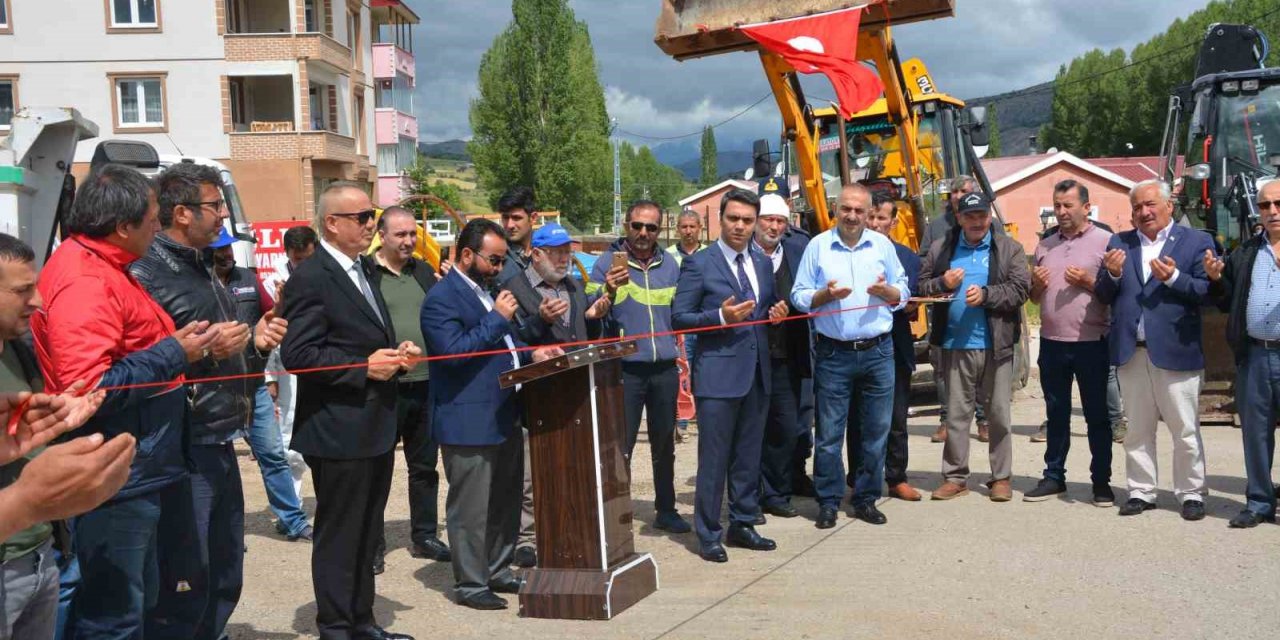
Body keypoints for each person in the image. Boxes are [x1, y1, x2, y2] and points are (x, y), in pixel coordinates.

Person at [31, 164, 222, 638]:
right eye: (154, 217)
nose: (158, 227)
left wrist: (181, 350)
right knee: (113, 614)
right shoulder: (85, 280)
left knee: (141, 601)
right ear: (123, 227)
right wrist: (174, 351)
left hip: (136, 465)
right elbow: (87, 387)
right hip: (116, 474)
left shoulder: (105, 266)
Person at [130, 163, 289, 639]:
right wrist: (202, 354)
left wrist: (254, 342)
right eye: (214, 206)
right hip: (182, 447)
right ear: (181, 213)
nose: (224, 215)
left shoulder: (205, 268)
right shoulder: (147, 274)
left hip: (221, 436)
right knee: (186, 578)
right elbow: (145, 363)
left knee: (224, 572)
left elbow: (218, 345)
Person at [279, 182, 418, 640]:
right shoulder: (312, 275)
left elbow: (358, 339)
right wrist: (362, 368)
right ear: (331, 224)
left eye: (372, 216)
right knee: (340, 535)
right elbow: (298, 354)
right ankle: (337, 626)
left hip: (372, 424)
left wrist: (394, 354)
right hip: (338, 429)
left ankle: (361, 621)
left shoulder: (361, 271)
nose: (370, 225)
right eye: (361, 218)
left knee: (365, 533)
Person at [422, 219, 561, 611]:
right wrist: (497, 318)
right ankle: (470, 583)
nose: (499, 268)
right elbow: (452, 354)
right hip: (468, 420)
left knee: (505, 501)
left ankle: (498, 569)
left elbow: (505, 340)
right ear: (467, 255)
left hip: (503, 413)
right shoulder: (441, 299)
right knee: (471, 508)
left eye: (502, 261)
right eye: (493, 260)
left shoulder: (488, 291)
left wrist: (531, 351)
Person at [0, 233, 123, 640]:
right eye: (21, 290)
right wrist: (25, 500)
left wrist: (61, 420)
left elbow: (19, 443)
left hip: (39, 556)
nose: (37, 301)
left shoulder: (20, 350)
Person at [674, 188, 787, 562]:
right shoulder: (700, 264)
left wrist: (775, 312)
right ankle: (708, 533)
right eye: (733, 219)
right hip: (718, 377)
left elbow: (762, 307)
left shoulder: (760, 262)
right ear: (719, 220)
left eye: (747, 220)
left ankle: (742, 522)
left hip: (756, 373)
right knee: (715, 459)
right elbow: (680, 317)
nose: (740, 226)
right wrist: (720, 317)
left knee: (747, 457)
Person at [1094, 179, 1214, 521]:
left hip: (1176, 350)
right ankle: (1141, 491)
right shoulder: (1120, 242)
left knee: (1185, 429)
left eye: (1150, 204)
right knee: (1138, 430)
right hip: (1133, 352)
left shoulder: (1196, 241)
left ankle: (1191, 492)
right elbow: (1104, 294)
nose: (1143, 212)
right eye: (1136, 207)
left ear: (1168, 206)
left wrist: (1175, 278)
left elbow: (1207, 291)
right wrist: (1113, 275)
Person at [791, 184, 908, 528]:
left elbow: (903, 291)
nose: (853, 216)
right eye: (846, 209)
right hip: (834, 354)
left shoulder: (882, 245)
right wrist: (823, 295)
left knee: (875, 432)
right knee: (829, 435)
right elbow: (798, 295)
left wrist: (889, 292)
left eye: (860, 211)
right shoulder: (818, 247)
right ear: (835, 209)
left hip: (878, 352)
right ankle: (828, 501)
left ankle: (866, 498)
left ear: (869, 213)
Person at [501, 221, 609, 566]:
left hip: (574, 392)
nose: (565, 258)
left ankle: (569, 526)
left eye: (568, 251)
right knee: (532, 474)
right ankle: (527, 539)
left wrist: (593, 317)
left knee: (571, 465)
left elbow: (580, 334)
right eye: (557, 253)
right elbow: (512, 342)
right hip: (534, 397)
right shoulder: (513, 289)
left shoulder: (575, 286)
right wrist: (540, 322)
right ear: (536, 254)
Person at [919, 192, 1031, 502]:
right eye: (970, 216)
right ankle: (955, 477)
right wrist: (944, 283)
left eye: (982, 215)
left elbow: (1020, 289)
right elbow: (922, 285)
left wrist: (986, 295)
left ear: (989, 217)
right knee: (956, 415)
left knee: (998, 415)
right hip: (955, 345)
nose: (977, 221)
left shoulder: (1009, 249)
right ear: (959, 218)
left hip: (997, 345)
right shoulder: (943, 248)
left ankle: (1001, 477)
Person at [588, 201, 691, 535]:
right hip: (625, 369)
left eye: (651, 228)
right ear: (625, 224)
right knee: (620, 445)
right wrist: (608, 289)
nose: (643, 233)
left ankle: (666, 509)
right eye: (637, 226)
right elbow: (590, 312)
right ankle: (617, 514)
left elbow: (682, 312)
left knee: (664, 443)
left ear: (661, 230)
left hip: (663, 367)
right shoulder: (606, 263)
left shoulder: (672, 265)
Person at [211, 229, 312, 542]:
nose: (227, 254)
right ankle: (221, 534)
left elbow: (271, 320)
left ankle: (293, 520)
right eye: (219, 250)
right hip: (213, 388)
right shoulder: (198, 284)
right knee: (216, 463)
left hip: (251, 383)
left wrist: (281, 307)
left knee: (271, 452)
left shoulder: (249, 281)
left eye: (229, 248)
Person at [1024, 180, 1115, 506]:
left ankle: (1101, 482)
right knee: (1056, 413)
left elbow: (1113, 293)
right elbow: (1034, 298)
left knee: (1097, 417)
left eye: (1068, 205)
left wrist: (1088, 281)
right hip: (1052, 343)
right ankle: (1053, 477)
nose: (1061, 212)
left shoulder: (1106, 242)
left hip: (1091, 342)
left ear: (1086, 207)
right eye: (1057, 206)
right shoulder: (1045, 246)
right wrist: (1035, 285)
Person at [369, 207, 450, 573]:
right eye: (400, 235)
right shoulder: (366, 273)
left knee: (424, 466)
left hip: (426, 383)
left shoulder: (423, 271)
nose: (408, 241)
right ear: (382, 236)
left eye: (412, 235)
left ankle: (424, 535)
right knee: (378, 468)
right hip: (386, 386)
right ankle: (372, 544)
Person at [1206, 179, 1280, 528]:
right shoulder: (1247, 252)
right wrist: (1217, 279)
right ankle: (1260, 502)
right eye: (1265, 206)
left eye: (1278, 204)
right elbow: (1226, 300)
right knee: (1256, 432)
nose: (1272, 212)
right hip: (1255, 356)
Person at [846, 192, 923, 502]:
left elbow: (911, 305)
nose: (876, 223)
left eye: (883, 218)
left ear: (893, 222)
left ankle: (896, 477)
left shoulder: (907, 257)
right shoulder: (848, 253)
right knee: (857, 418)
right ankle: (857, 478)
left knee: (895, 418)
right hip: (854, 348)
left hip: (894, 346)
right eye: (872, 216)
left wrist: (894, 296)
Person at [920, 175, 994, 443]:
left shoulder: (991, 225)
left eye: (964, 190)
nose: (958, 194)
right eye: (954, 191)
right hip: (946, 319)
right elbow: (923, 264)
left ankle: (984, 421)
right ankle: (945, 420)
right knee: (942, 371)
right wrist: (943, 280)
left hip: (985, 321)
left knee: (984, 379)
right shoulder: (936, 227)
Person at [753, 194, 813, 518]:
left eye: (779, 221)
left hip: (788, 357)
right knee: (753, 430)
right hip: (751, 357)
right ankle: (752, 494)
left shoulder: (797, 251)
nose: (774, 226)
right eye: (768, 220)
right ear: (756, 221)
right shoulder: (743, 255)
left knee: (786, 427)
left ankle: (776, 492)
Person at [265, 225, 318, 500]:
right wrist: (270, 376)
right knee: (289, 428)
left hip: (323, 360)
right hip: (288, 365)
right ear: (287, 254)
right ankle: (292, 507)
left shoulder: (326, 275)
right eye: (298, 260)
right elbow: (267, 330)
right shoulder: (274, 282)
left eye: (308, 259)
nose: (302, 266)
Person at [496, 186, 538, 285]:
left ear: (533, 218)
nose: (509, 225)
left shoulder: (549, 251)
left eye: (516, 218)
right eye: (505, 218)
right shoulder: (496, 255)